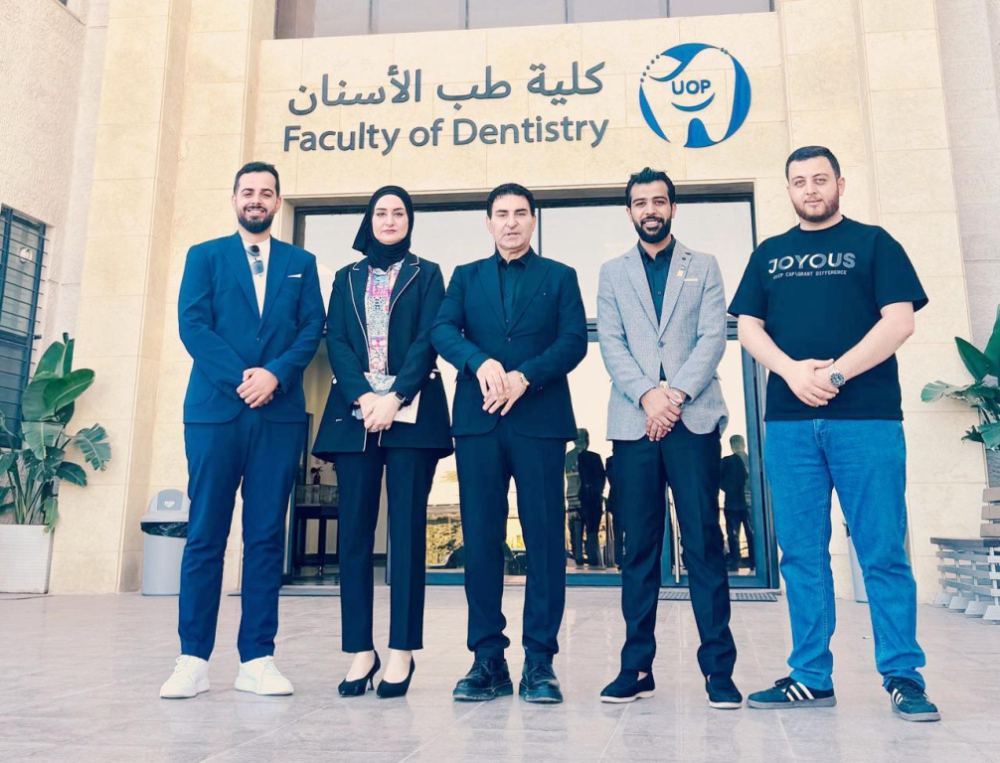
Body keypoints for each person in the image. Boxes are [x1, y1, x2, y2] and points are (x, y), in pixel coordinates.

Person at [730, 145, 939, 722]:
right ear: (789, 190)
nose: (811, 189)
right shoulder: (770, 254)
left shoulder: (875, 243)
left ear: (840, 184)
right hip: (790, 423)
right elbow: (748, 327)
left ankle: (903, 675)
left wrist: (837, 373)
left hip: (867, 418)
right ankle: (810, 677)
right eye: (799, 181)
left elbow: (900, 320)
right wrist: (793, 372)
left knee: (882, 549)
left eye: (820, 179)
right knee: (801, 554)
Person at [161, 161, 325, 699]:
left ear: (278, 202)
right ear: (234, 199)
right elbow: (193, 325)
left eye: (267, 192)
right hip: (215, 413)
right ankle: (192, 659)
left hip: (277, 416)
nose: (257, 199)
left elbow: (311, 329)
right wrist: (242, 378)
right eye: (248, 191)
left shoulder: (301, 263)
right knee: (206, 534)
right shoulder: (204, 256)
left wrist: (274, 374)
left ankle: (257, 659)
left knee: (265, 537)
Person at [431, 182, 588, 704]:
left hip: (539, 420)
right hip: (479, 422)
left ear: (533, 220)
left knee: (544, 540)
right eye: (502, 214)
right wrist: (478, 362)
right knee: (481, 540)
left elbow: (573, 341)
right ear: (488, 222)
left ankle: (539, 661)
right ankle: (487, 659)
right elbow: (442, 330)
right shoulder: (465, 276)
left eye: (521, 213)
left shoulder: (560, 276)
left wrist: (525, 377)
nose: (512, 222)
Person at [596, 168, 740, 708]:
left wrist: (673, 395)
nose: (650, 210)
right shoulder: (612, 272)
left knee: (703, 543)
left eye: (659, 201)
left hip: (692, 418)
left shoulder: (704, 266)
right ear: (629, 212)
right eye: (640, 203)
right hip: (634, 423)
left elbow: (713, 336)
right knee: (638, 549)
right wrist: (647, 397)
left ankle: (718, 670)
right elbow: (611, 342)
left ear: (673, 208)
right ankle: (636, 668)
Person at [312, 186, 453, 699]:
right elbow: (337, 340)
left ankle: (401, 651)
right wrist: (365, 397)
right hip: (356, 415)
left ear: (410, 221)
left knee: (408, 533)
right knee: (353, 535)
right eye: (381, 213)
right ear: (369, 220)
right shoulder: (346, 277)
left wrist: (394, 397)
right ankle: (360, 651)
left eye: (399, 213)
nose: (390, 220)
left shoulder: (427, 273)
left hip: (411, 413)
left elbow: (430, 338)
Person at [566, 428, 607, 567]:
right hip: (589, 500)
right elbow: (601, 479)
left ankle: (578, 557)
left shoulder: (567, 457)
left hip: (572, 498)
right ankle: (592, 557)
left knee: (576, 531)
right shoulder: (593, 457)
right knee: (591, 531)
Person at [720, 434, 753, 570]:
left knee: (733, 534)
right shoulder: (753, 460)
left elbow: (718, 480)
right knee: (751, 532)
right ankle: (753, 560)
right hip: (750, 502)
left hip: (733, 503)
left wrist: (729, 489)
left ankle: (735, 561)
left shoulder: (727, 461)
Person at [604, 454, 623, 568]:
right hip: (618, 500)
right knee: (619, 532)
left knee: (619, 532)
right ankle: (620, 559)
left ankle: (620, 559)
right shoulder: (611, 461)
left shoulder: (610, 461)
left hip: (617, 499)